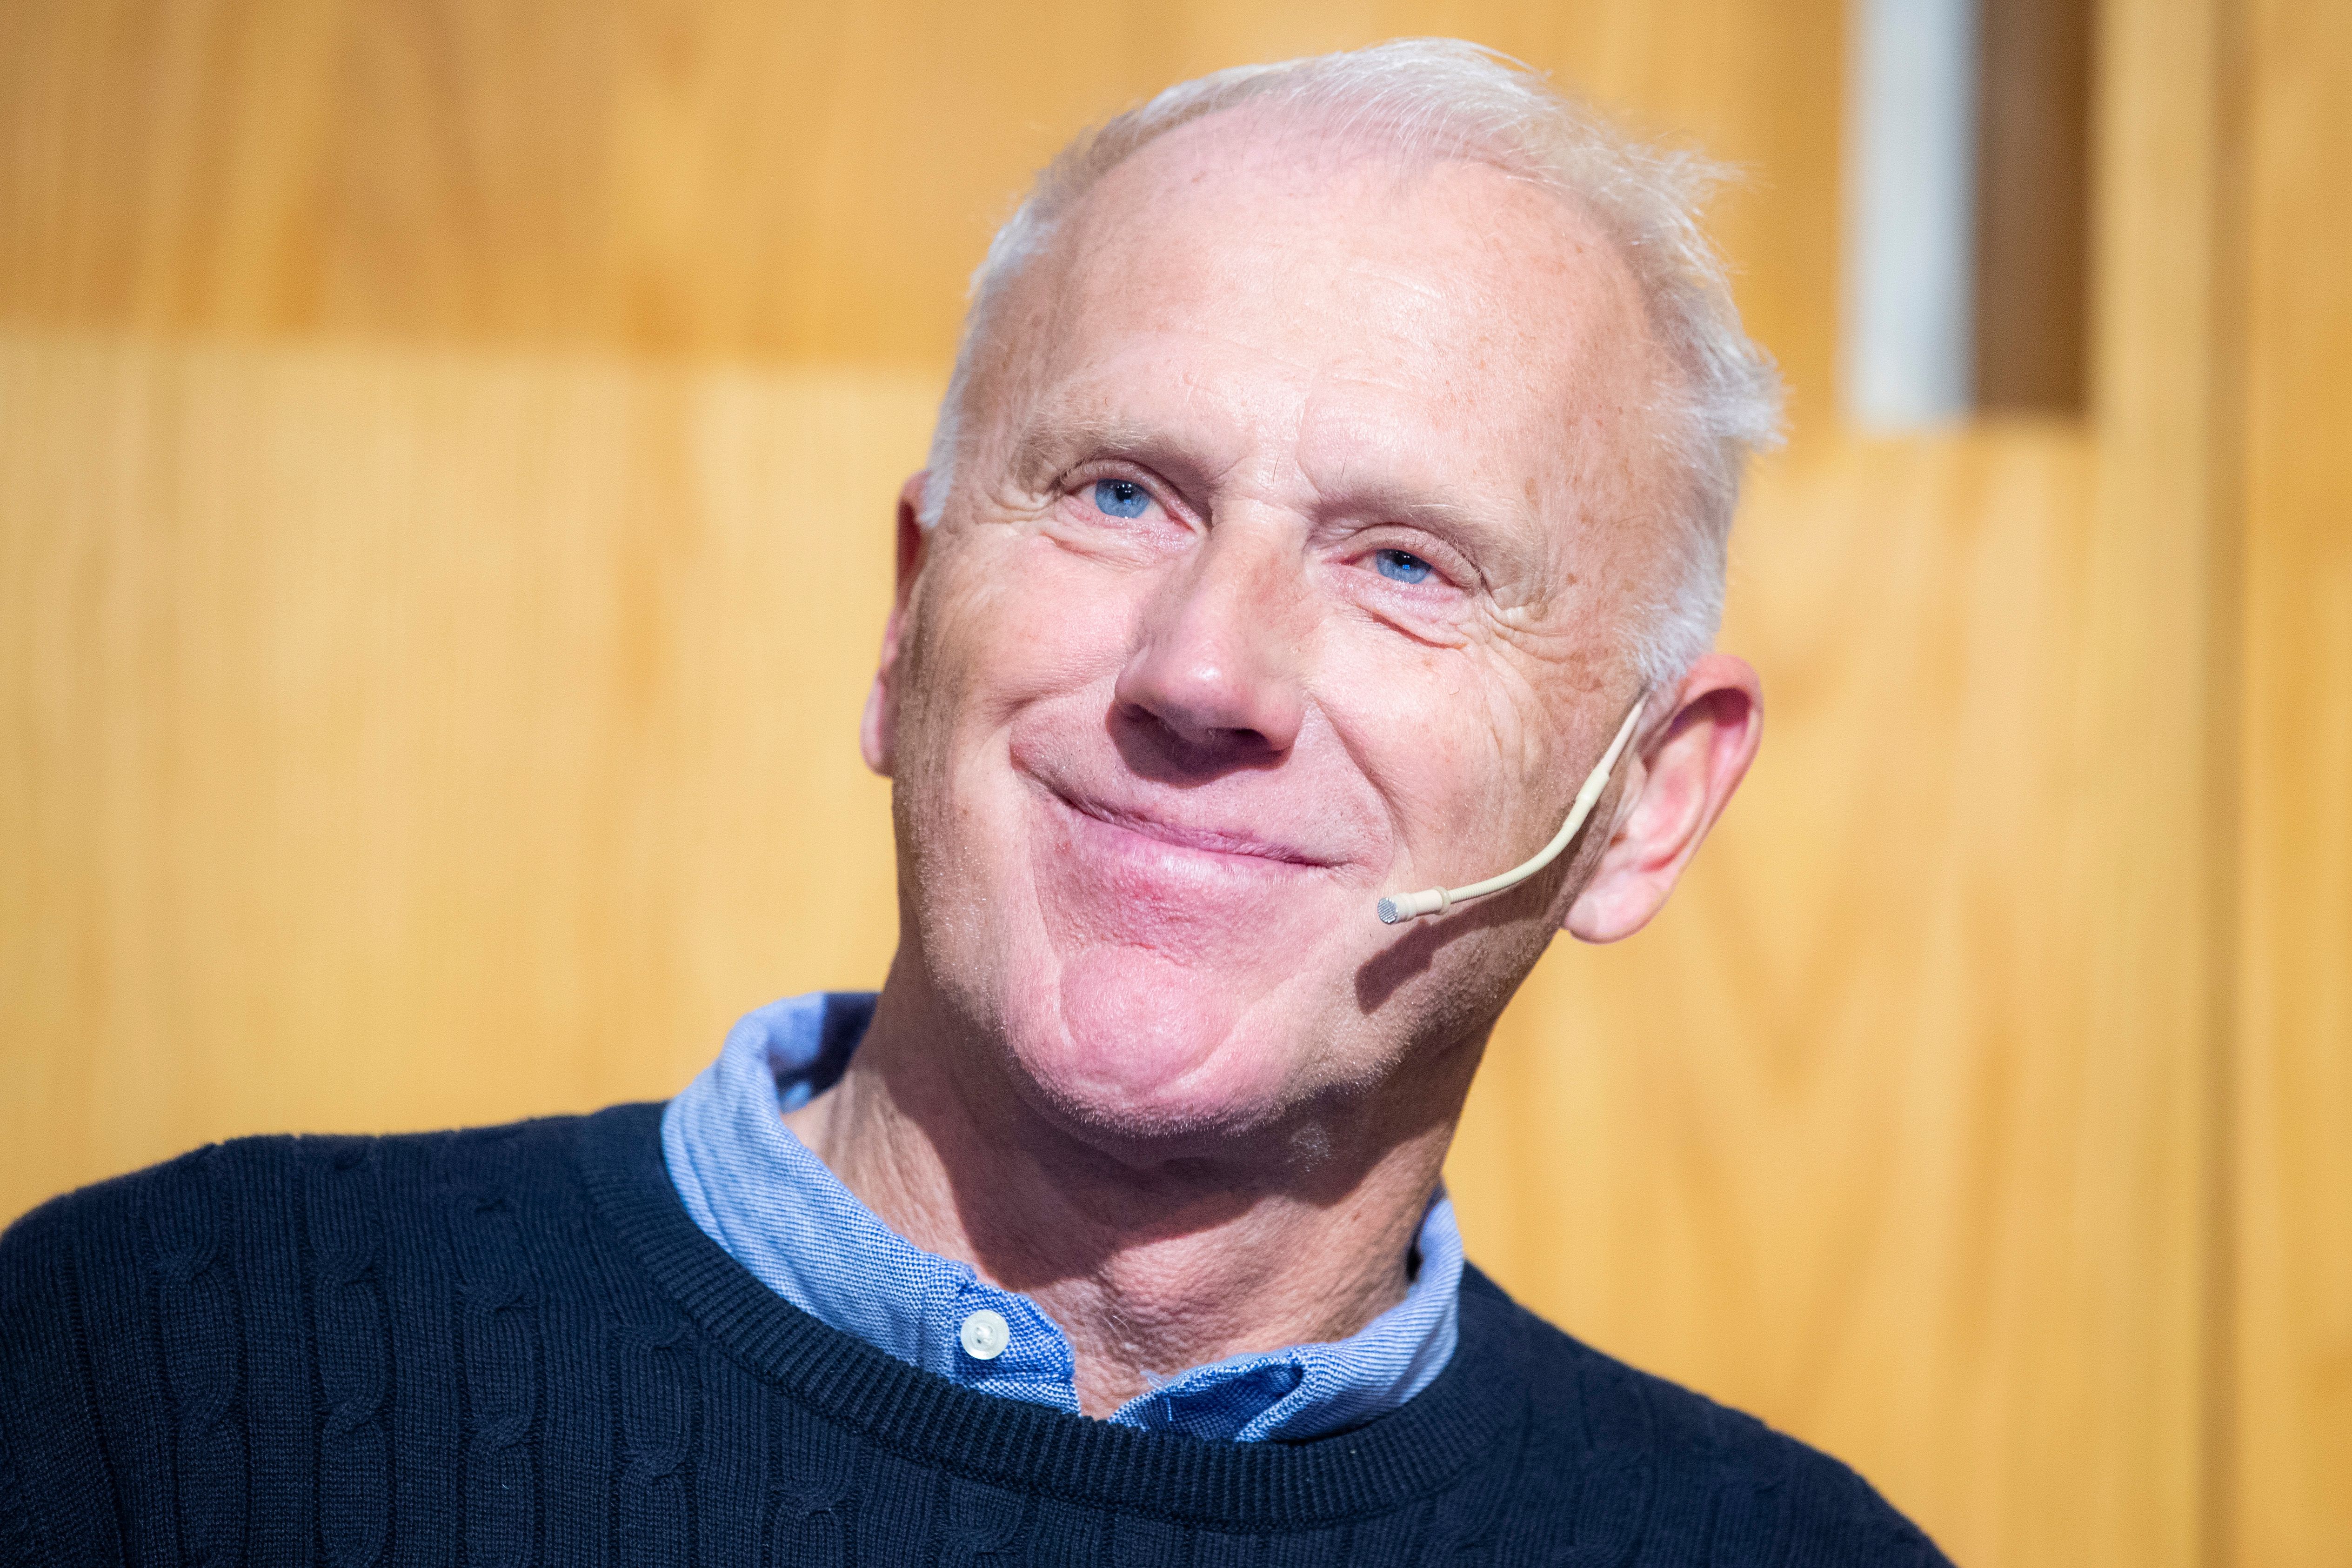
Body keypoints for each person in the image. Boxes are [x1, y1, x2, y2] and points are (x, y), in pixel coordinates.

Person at [0, 40, 1950, 1565]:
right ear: (907, 613)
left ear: (1646, 803)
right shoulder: (164, 1373)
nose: (1205, 671)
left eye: (1405, 566)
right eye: (1120, 494)